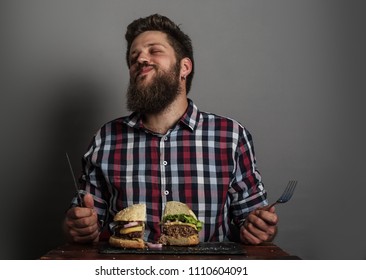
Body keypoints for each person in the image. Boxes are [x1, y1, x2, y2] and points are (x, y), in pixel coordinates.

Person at [62, 14, 278, 245]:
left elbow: (253, 220)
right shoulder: (107, 138)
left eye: (154, 50)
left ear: (184, 67)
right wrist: (77, 225)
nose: (140, 59)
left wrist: (259, 228)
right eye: (134, 57)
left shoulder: (230, 136)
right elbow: (86, 222)